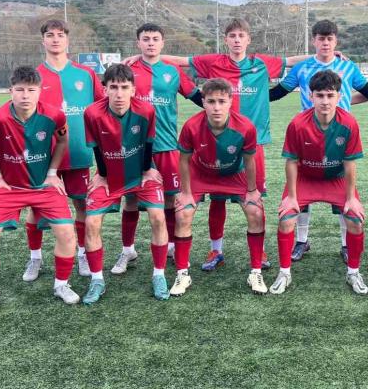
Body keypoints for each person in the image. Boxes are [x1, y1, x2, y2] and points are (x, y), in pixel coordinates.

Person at [125, 18, 311, 272]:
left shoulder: (261, 63)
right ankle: (216, 249)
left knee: (255, 198)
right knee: (218, 199)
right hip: (217, 139)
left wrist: (325, 54)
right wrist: (143, 56)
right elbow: (181, 61)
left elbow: (290, 61)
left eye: (241, 36)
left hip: (253, 142)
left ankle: (259, 251)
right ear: (226, 39)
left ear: (248, 39)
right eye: (232, 36)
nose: (237, 40)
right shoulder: (213, 62)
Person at [270, 19, 368, 265]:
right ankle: (302, 241)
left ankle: (345, 244)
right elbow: (278, 93)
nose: (325, 43)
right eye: (321, 38)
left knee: (341, 189)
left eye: (329, 38)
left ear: (336, 41)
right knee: (303, 186)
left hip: (339, 136)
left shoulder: (348, 67)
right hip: (308, 134)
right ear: (314, 41)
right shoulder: (302, 68)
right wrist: (248, 98)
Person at [0, 66, 79, 316]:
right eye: (20, 90)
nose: (25, 95)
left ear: (40, 91)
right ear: (11, 91)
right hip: (9, 188)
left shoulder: (54, 116)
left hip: (43, 187)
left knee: (66, 233)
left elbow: (63, 140)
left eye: (31, 90)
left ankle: (61, 285)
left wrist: (52, 173)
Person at [112, 23, 202, 276]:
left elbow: (197, 97)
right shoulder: (128, 70)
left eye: (155, 39)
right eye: (145, 39)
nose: (150, 43)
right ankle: (128, 250)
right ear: (138, 43)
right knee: (131, 198)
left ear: (163, 43)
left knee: (171, 198)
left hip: (166, 145)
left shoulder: (173, 71)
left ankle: (171, 245)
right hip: (134, 147)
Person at [268, 70, 368, 296]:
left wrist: (351, 198)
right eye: (320, 95)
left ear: (339, 96)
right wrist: (291, 197)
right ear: (310, 96)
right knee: (286, 219)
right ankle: (284, 272)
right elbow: (291, 161)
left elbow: (350, 164)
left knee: (355, 220)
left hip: (336, 178)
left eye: (330, 95)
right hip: (305, 178)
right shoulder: (297, 124)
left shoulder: (349, 123)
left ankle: (353, 272)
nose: (325, 101)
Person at [23, 18, 104, 282]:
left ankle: (82, 253)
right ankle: (35, 258)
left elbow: (102, 108)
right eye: (50, 35)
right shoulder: (35, 76)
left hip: (79, 151)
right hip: (44, 157)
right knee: (37, 207)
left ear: (67, 39)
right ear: (43, 40)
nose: (55, 39)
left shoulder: (85, 74)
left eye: (60, 34)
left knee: (81, 203)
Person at [171, 79, 267, 296]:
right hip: (201, 172)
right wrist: (185, 192)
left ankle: (256, 271)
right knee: (182, 214)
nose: (216, 107)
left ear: (231, 101)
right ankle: (182, 274)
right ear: (203, 102)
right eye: (211, 101)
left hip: (234, 174)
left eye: (222, 101)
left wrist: (252, 190)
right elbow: (184, 160)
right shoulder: (191, 126)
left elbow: (249, 161)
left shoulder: (245, 127)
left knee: (255, 211)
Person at [81, 64, 168, 303]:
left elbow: (148, 142)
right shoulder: (92, 113)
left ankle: (159, 275)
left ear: (133, 90)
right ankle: (97, 280)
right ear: (105, 89)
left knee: (158, 217)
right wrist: (102, 175)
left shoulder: (146, 110)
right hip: (109, 173)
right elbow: (96, 146)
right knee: (91, 222)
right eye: (113, 87)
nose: (119, 94)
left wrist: (148, 170)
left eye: (124, 87)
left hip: (141, 172)